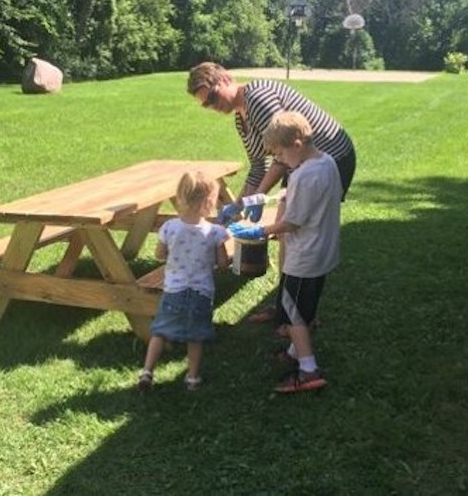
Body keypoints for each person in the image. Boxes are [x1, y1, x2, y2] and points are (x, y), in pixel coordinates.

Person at [187, 62, 355, 322]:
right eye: (206, 104)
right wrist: (238, 205)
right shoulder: (241, 121)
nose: (212, 105)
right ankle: (287, 308)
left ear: (226, 78)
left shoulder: (257, 98)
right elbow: (259, 165)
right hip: (297, 163)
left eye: (213, 96)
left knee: (300, 232)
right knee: (287, 232)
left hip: (327, 159)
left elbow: (282, 150)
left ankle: (297, 312)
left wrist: (257, 197)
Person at [229, 111, 341, 393]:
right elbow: (314, 198)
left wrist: (260, 231)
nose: (280, 160)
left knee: (293, 314)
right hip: (324, 250)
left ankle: (308, 370)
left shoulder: (303, 175)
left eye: (280, 154)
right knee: (305, 307)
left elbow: (292, 222)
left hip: (304, 256)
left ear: (297, 143)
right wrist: (270, 196)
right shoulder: (326, 162)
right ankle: (294, 352)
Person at [138, 171, 229, 392]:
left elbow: (160, 254)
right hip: (201, 292)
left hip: (173, 291)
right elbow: (223, 263)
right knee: (195, 336)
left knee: (160, 331)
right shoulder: (215, 232)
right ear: (209, 202)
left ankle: (147, 371)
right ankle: (192, 378)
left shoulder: (169, 227)